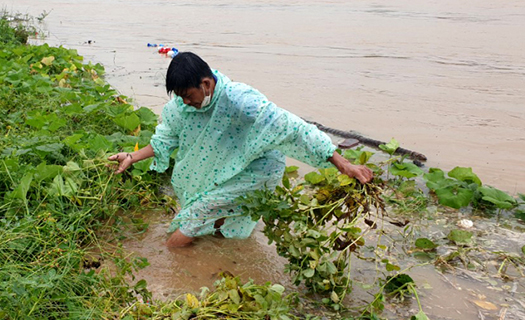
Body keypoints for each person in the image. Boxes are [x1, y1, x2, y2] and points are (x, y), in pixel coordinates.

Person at [109, 52, 373, 248]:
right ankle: (221, 251)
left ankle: (167, 256)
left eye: (189, 95)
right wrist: (131, 157)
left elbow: (295, 129)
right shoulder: (184, 107)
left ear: (206, 84)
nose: (186, 102)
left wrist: (343, 164)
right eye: (180, 97)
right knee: (215, 218)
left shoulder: (241, 101)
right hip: (226, 165)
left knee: (200, 212)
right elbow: (163, 139)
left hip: (257, 168)